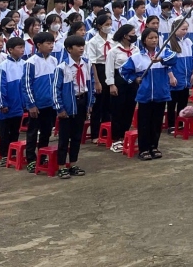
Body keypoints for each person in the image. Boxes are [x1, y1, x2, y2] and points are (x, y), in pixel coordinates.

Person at [124, 26, 173, 160]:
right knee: (144, 123)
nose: (154, 40)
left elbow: (174, 59)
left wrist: (161, 60)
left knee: (157, 123)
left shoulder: (164, 53)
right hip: (145, 96)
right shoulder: (136, 57)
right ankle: (143, 149)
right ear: (144, 40)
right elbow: (124, 72)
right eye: (150, 38)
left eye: (156, 37)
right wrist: (135, 79)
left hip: (160, 94)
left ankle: (154, 146)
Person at [52, 34, 90, 178]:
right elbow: (56, 89)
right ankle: (61, 166)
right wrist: (59, 108)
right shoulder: (62, 67)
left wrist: (89, 104)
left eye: (82, 46)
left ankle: (73, 163)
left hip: (81, 101)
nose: (81, 48)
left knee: (76, 136)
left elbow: (89, 84)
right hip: (68, 104)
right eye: (78, 46)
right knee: (64, 137)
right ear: (69, 49)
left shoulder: (85, 63)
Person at [23, 32, 59, 173]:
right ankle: (31, 159)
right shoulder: (31, 63)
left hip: (50, 104)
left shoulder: (54, 61)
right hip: (37, 105)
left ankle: (42, 156)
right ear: (38, 45)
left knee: (46, 131)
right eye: (48, 43)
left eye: (52, 43)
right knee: (32, 132)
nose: (51, 46)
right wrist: (31, 104)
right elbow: (26, 85)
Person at [0, 37, 28, 164]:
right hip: (6, 105)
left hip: (19, 105)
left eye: (23, 47)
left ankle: (13, 153)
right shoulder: (3, 66)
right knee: (4, 132)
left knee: (15, 131)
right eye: (19, 48)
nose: (22, 50)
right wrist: (2, 103)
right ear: (10, 50)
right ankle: (4, 155)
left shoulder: (24, 64)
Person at [106, 25, 139, 153]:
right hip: (119, 81)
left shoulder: (136, 49)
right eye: (132, 33)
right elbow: (109, 69)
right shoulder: (114, 51)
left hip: (132, 81)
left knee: (129, 108)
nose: (134, 35)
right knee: (117, 110)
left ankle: (125, 134)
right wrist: (111, 84)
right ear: (125, 35)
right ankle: (116, 139)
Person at [84, 13, 113, 142]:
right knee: (98, 104)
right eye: (107, 25)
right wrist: (97, 81)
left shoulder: (113, 39)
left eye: (110, 24)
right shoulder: (93, 42)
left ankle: (107, 131)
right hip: (99, 70)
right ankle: (95, 133)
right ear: (100, 26)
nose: (109, 27)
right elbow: (93, 63)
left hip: (110, 68)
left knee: (109, 103)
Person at [165, 20, 193, 132]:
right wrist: (171, 76)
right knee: (172, 103)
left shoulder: (188, 42)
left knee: (183, 102)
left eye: (187, 29)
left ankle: (181, 123)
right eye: (183, 29)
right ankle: (171, 125)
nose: (185, 31)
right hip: (175, 78)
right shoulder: (168, 43)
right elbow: (166, 62)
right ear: (175, 29)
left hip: (186, 78)